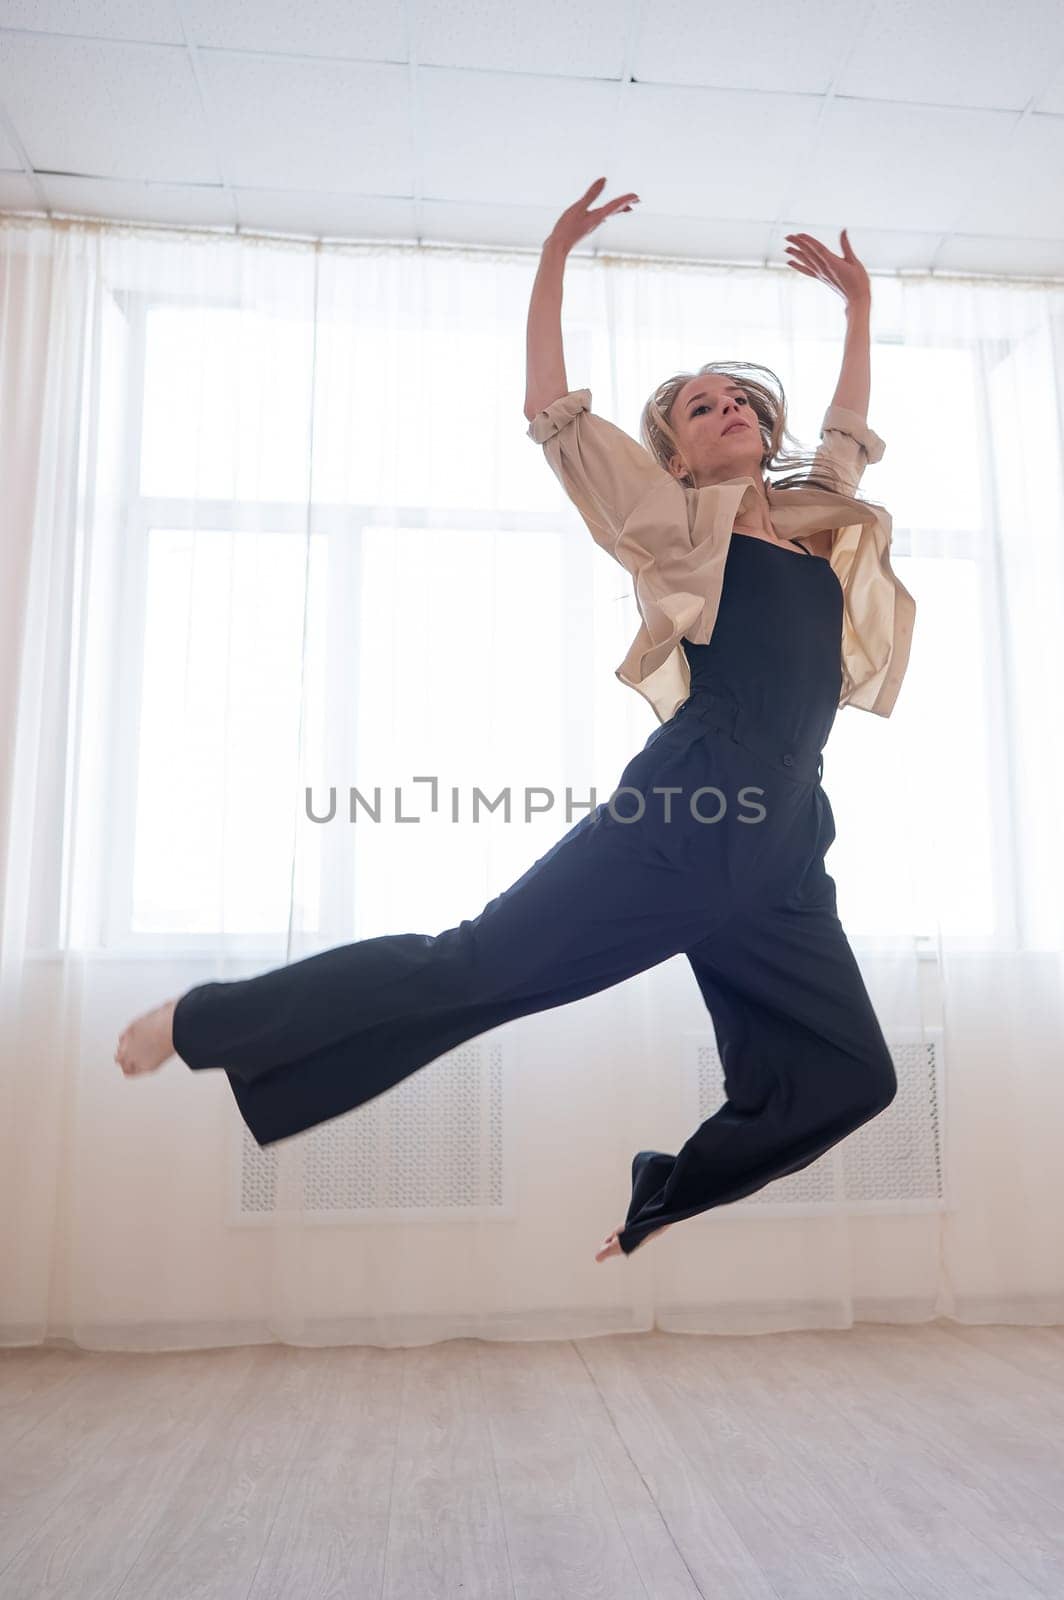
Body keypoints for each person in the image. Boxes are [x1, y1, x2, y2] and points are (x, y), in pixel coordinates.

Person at [115, 179, 916, 1264]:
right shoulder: (675, 526)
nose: (729, 408)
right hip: (692, 802)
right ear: (676, 455)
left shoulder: (819, 522)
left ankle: (661, 1196)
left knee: (851, 1074)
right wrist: (552, 256)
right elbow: (556, 415)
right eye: (699, 406)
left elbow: (848, 433)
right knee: (471, 972)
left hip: (783, 832)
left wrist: (857, 309)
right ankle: (203, 1019)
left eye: (740, 400)